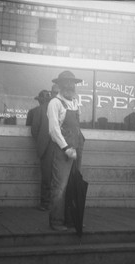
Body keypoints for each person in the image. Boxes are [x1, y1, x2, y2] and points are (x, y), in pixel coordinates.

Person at [47, 70, 85, 231]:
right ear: (60, 85)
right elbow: (53, 130)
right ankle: (56, 221)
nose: (70, 85)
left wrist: (77, 145)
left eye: (72, 83)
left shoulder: (76, 102)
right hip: (63, 150)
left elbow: (76, 126)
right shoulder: (55, 103)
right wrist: (66, 148)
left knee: (73, 185)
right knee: (60, 186)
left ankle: (71, 219)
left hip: (77, 147)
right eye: (66, 83)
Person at [30, 89, 53, 211]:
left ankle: (48, 204)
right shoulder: (43, 110)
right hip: (51, 147)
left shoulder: (39, 110)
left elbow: (34, 130)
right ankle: (48, 203)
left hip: (52, 148)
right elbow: (35, 130)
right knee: (50, 177)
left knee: (49, 177)